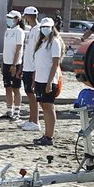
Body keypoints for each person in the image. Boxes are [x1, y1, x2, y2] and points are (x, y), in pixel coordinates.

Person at [29, 15, 65, 147]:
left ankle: (49, 136)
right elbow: (38, 63)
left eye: (47, 27)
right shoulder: (42, 42)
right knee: (44, 107)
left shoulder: (55, 42)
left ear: (52, 27)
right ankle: (46, 134)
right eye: (43, 27)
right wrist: (34, 79)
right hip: (40, 79)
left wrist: (50, 82)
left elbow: (55, 63)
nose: (45, 29)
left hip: (49, 80)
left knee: (49, 107)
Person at [0, 10, 26, 122]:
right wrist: (3, 62)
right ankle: (9, 111)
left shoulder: (19, 32)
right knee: (7, 87)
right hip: (6, 63)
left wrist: (14, 64)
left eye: (11, 18)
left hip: (15, 64)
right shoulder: (8, 31)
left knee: (16, 88)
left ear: (17, 19)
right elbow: (6, 49)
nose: (8, 20)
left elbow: (18, 49)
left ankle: (17, 112)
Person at [18, 6, 43, 132]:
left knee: (32, 95)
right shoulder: (32, 30)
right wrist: (22, 66)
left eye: (26, 16)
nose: (25, 19)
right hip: (27, 66)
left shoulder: (38, 30)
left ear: (30, 16)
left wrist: (34, 70)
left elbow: (37, 52)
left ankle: (35, 121)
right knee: (29, 93)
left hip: (33, 68)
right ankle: (31, 119)